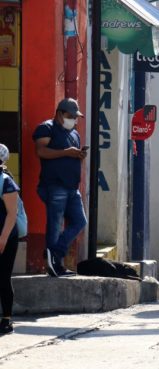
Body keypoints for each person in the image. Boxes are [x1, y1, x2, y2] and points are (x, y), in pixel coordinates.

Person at [33, 98, 87, 277]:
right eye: (70, 116)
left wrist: (78, 154)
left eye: (75, 116)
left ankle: (54, 253)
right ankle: (55, 265)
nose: (73, 119)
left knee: (80, 221)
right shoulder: (46, 127)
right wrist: (66, 152)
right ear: (59, 114)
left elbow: (71, 153)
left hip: (72, 187)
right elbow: (41, 151)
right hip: (55, 185)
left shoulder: (74, 133)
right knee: (55, 225)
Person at [0, 144, 19, 335]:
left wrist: (3, 239)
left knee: (3, 278)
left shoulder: (6, 182)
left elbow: (12, 215)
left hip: (5, 237)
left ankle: (6, 319)